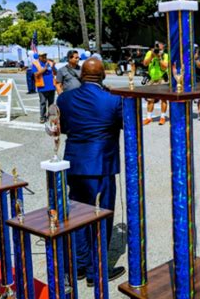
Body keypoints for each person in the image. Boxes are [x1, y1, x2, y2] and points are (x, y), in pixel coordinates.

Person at [57, 57, 126, 286]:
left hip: (75, 164)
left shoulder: (65, 98)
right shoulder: (112, 100)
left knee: (77, 215)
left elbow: (64, 128)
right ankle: (96, 271)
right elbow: (125, 125)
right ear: (103, 75)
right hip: (101, 165)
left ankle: (78, 265)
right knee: (101, 217)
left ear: (81, 75)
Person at [143, 41, 169, 125]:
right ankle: (149, 118)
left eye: (160, 48)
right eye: (157, 48)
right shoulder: (150, 53)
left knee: (163, 99)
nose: (159, 50)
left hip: (162, 79)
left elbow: (164, 67)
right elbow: (145, 63)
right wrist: (152, 55)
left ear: (163, 48)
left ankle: (162, 117)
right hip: (152, 79)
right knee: (150, 99)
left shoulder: (165, 56)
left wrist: (159, 58)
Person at [31, 52, 56, 123]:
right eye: (43, 56)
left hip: (51, 86)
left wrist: (53, 66)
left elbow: (56, 72)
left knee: (51, 103)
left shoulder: (50, 63)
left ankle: (51, 116)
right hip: (42, 87)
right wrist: (45, 68)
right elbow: (36, 74)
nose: (45, 57)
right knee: (43, 103)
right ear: (39, 57)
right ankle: (42, 117)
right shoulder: (35, 64)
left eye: (45, 55)